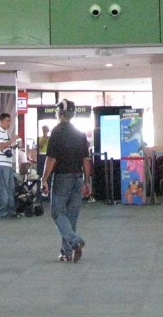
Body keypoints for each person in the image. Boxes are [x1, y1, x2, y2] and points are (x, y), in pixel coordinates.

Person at [41, 99, 92, 262]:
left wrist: (44, 178)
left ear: (60, 113)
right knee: (71, 216)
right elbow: (86, 160)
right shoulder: (80, 134)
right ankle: (67, 252)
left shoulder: (56, 132)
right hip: (78, 177)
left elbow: (51, 159)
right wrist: (87, 181)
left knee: (57, 212)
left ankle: (74, 241)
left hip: (62, 177)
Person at [0, 112, 17, 220]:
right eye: (7, 121)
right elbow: (1, 146)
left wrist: (14, 146)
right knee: (3, 189)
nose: (9, 123)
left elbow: (6, 148)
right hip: (1, 165)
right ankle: (1, 212)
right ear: (1, 121)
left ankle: (11, 211)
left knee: (10, 188)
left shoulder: (4, 133)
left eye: (10, 121)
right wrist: (12, 140)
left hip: (7, 164)